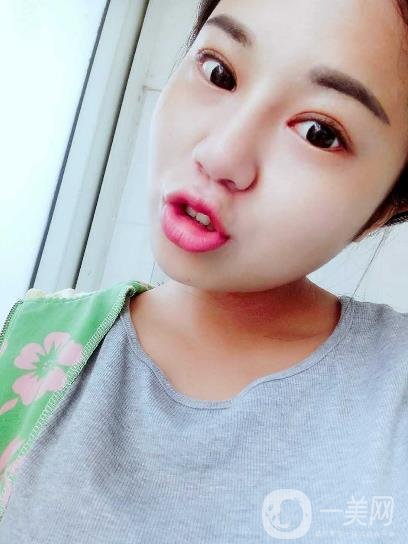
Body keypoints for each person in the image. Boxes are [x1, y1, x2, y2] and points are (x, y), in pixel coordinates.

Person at [1, 0, 408, 541]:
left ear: (389, 206)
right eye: (219, 73)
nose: (220, 156)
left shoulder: (394, 393)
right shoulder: (33, 344)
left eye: (318, 133)